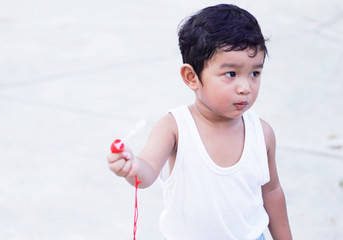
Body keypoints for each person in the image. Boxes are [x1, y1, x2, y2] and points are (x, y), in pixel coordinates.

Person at [107, 4, 292, 240]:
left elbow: (272, 191)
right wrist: (131, 167)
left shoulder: (262, 133)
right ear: (191, 77)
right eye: (231, 74)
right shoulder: (174, 128)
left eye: (255, 73)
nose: (245, 87)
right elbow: (147, 172)